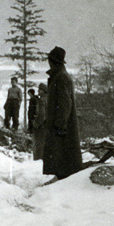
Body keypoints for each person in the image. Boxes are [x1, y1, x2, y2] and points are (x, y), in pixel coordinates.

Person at [42, 47, 83, 180]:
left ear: (52, 61)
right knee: (61, 154)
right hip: (60, 123)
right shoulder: (59, 76)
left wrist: (60, 124)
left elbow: (65, 103)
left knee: (63, 154)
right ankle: (61, 176)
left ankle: (63, 178)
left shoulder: (61, 78)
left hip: (62, 125)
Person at [32, 83, 48, 160]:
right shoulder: (49, 99)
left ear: (44, 91)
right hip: (47, 125)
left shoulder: (42, 100)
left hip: (41, 125)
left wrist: (35, 124)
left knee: (39, 144)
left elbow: (42, 114)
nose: (38, 91)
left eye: (39, 89)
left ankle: (38, 160)